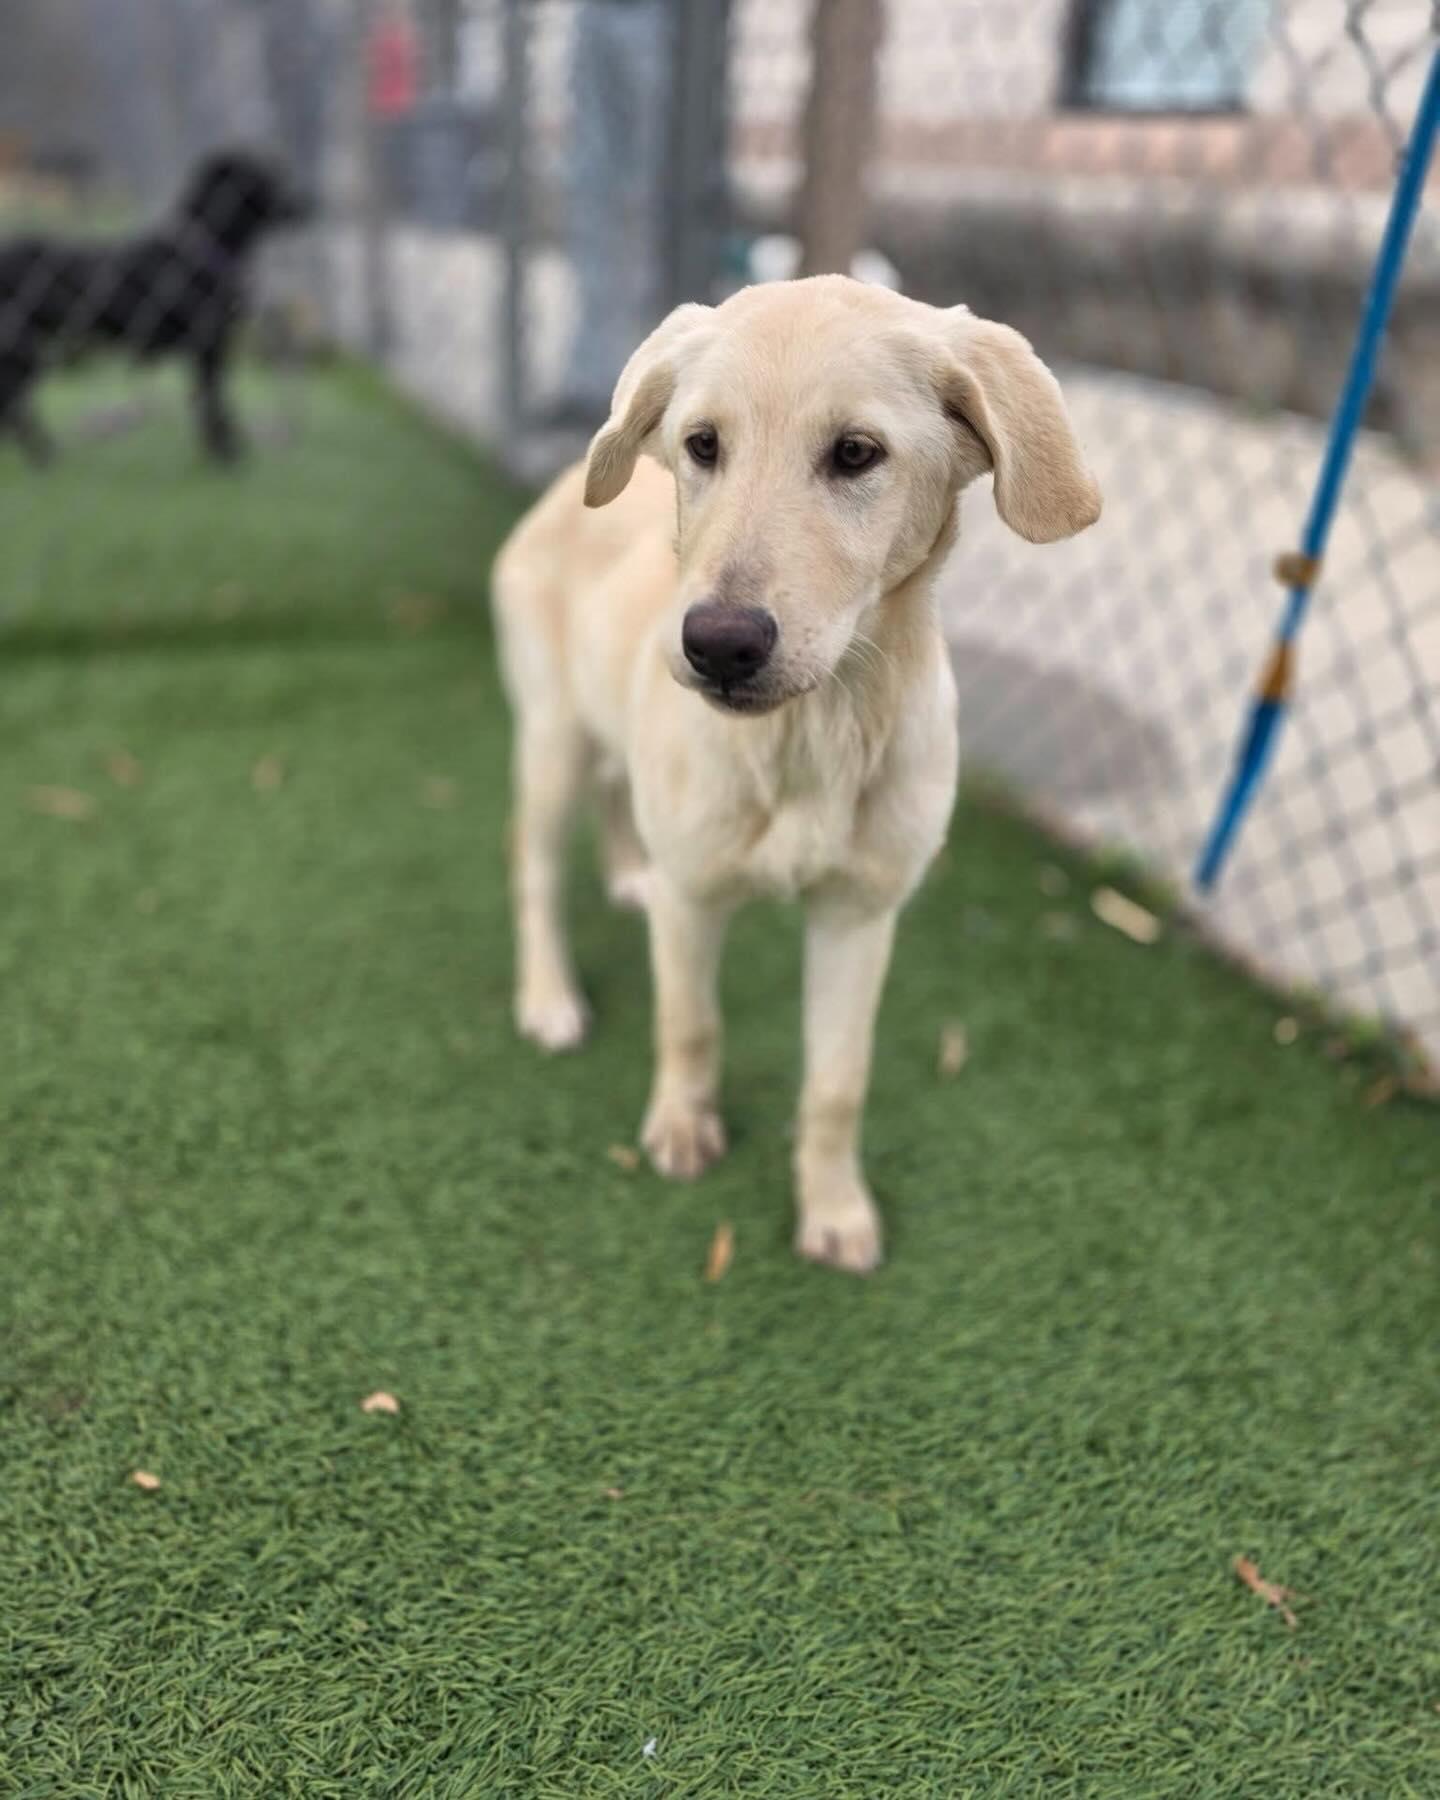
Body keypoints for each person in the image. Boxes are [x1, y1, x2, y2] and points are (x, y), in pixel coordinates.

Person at [540, 0, 673, 432]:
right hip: (599, 12)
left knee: (654, 196)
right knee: (595, 195)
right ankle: (594, 382)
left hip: (670, 17)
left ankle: (658, 379)